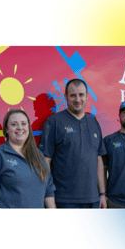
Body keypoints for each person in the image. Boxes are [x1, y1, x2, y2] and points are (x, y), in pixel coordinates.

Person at [39, 79, 107, 208]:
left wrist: (102, 193)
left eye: (81, 95)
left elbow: (99, 160)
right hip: (64, 199)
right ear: (66, 97)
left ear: (87, 96)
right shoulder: (54, 122)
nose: (77, 99)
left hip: (93, 199)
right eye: (73, 95)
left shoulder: (94, 123)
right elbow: (45, 161)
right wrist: (49, 196)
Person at [0, 109, 56, 208]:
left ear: (28, 127)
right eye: (14, 124)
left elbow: (48, 190)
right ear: (6, 129)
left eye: (23, 123)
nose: (20, 128)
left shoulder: (39, 155)